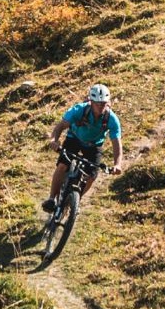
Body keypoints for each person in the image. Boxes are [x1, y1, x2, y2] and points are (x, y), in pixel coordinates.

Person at [44, 83, 123, 212]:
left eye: (104, 103)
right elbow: (61, 126)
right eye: (98, 103)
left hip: (94, 145)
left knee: (92, 176)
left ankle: (74, 202)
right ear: (91, 102)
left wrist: (117, 164)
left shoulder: (112, 119)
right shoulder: (79, 110)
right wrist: (54, 140)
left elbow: (116, 143)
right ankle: (52, 199)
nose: (101, 106)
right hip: (74, 139)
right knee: (63, 165)